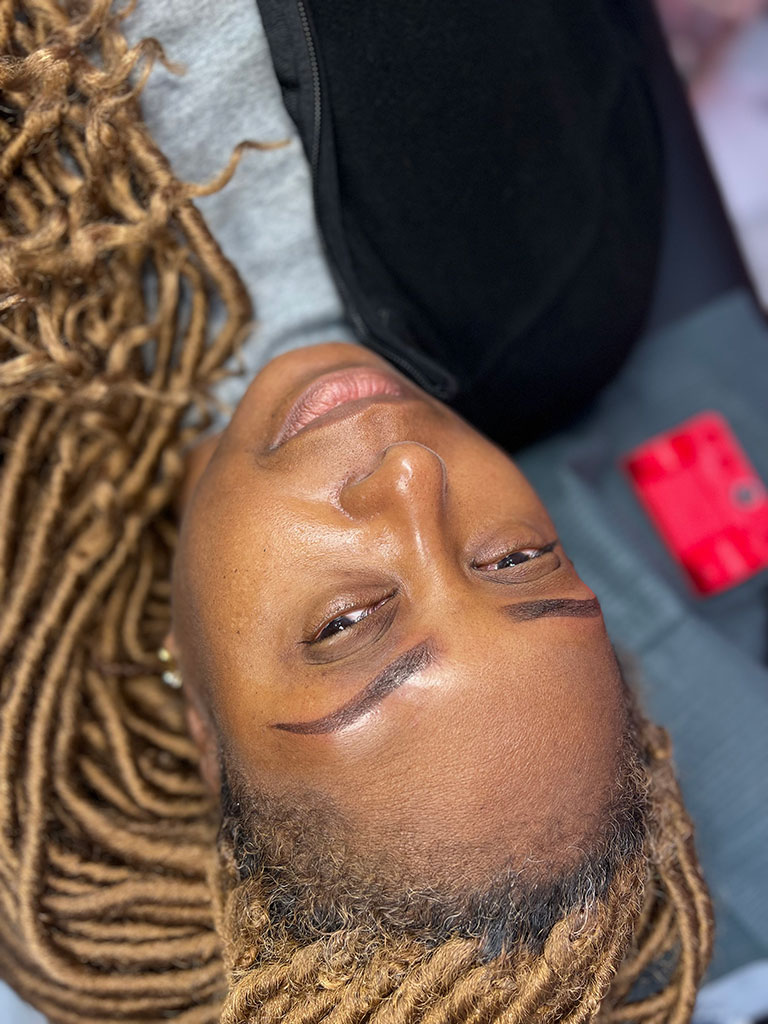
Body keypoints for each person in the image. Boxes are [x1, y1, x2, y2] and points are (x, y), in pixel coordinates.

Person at [0, 0, 726, 1021]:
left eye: (347, 623)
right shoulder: (567, 267)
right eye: (516, 559)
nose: (413, 480)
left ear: (203, 729)